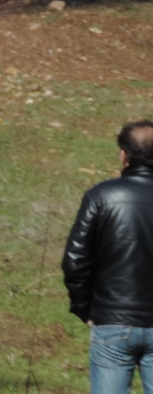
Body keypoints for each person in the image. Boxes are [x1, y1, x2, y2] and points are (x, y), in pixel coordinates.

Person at [62, 121, 153, 394]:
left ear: (123, 155)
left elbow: (75, 259)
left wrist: (84, 307)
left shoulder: (102, 196)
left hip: (111, 322)